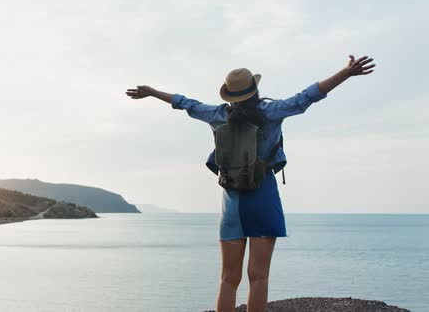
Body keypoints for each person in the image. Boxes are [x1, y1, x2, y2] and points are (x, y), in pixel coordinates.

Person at [125, 55, 375, 312]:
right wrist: (345, 73)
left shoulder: (216, 114)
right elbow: (307, 96)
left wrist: (153, 92)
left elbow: (186, 103)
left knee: (227, 279)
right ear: (254, 90)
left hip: (232, 203)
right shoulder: (270, 112)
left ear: (228, 95)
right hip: (263, 196)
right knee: (259, 277)